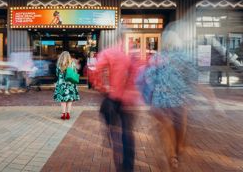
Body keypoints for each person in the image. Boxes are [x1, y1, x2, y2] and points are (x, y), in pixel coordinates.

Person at [137, 28, 220, 170]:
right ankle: (178, 149)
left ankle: (171, 157)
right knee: (180, 128)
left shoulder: (157, 57)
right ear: (178, 42)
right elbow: (194, 80)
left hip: (160, 102)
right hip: (179, 102)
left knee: (165, 129)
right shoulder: (185, 58)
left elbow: (149, 78)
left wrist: (154, 92)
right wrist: (211, 101)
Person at [92, 27, 142, 172]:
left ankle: (117, 156)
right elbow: (139, 74)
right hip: (129, 101)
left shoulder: (108, 52)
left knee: (115, 131)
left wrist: (102, 87)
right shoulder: (134, 55)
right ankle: (127, 167)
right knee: (128, 133)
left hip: (113, 98)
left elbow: (96, 71)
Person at [53, 51, 80, 120]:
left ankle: (63, 114)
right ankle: (68, 114)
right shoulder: (72, 64)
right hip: (70, 84)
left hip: (61, 84)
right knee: (69, 100)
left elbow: (57, 74)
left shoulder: (59, 65)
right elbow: (75, 73)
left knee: (63, 100)